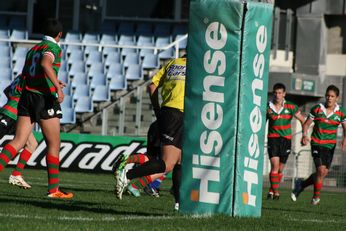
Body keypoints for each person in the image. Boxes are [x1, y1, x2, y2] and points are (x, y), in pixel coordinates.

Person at [0, 18, 73, 199]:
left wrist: (52, 81)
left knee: (18, 141)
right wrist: (55, 86)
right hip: (43, 98)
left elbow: (26, 75)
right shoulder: (54, 48)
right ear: (60, 35)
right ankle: (53, 190)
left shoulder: (33, 49)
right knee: (54, 144)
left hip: (26, 96)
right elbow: (45, 64)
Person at [113, 55, 186, 210]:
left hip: (169, 113)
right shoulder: (198, 68)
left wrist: (157, 109)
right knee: (167, 163)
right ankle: (127, 176)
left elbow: (152, 86)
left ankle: (179, 203)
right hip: (178, 114)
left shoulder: (173, 63)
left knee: (180, 161)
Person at [291, 85, 346, 205]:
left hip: (330, 146)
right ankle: (316, 198)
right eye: (327, 95)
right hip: (317, 143)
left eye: (332, 96)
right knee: (320, 170)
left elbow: (345, 128)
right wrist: (305, 135)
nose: (329, 98)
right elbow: (306, 124)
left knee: (323, 173)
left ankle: (301, 185)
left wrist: (344, 139)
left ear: (337, 98)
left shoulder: (341, 112)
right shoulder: (317, 109)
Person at [266, 83, 305, 200]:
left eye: (280, 93)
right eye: (276, 93)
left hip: (286, 140)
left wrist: (305, 135)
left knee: (280, 169)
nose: (277, 95)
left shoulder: (291, 107)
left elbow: (303, 120)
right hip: (273, 139)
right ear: (273, 94)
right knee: (274, 166)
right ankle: (276, 192)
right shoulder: (267, 107)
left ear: (284, 94)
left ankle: (271, 190)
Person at [0, 75, 38, 189]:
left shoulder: (22, 75)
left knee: (32, 144)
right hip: (12, 113)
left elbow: (7, 90)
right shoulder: (34, 77)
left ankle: (16, 175)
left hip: (19, 114)